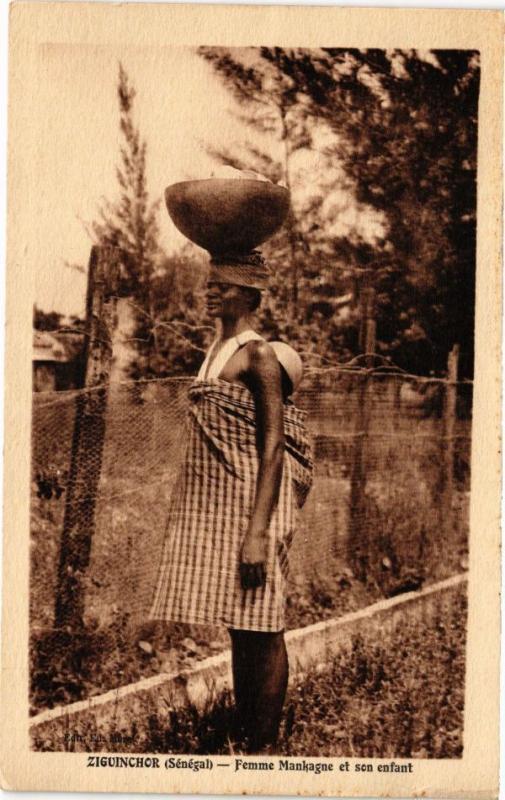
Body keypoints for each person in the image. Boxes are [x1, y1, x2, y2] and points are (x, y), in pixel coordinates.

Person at [149, 254, 313, 753]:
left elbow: (272, 445)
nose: (210, 291)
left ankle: (263, 749)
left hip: (253, 505)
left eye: (222, 286)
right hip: (223, 505)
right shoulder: (216, 349)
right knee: (242, 623)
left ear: (249, 296)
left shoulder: (258, 354)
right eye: (210, 283)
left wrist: (257, 532)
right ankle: (247, 734)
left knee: (262, 624)